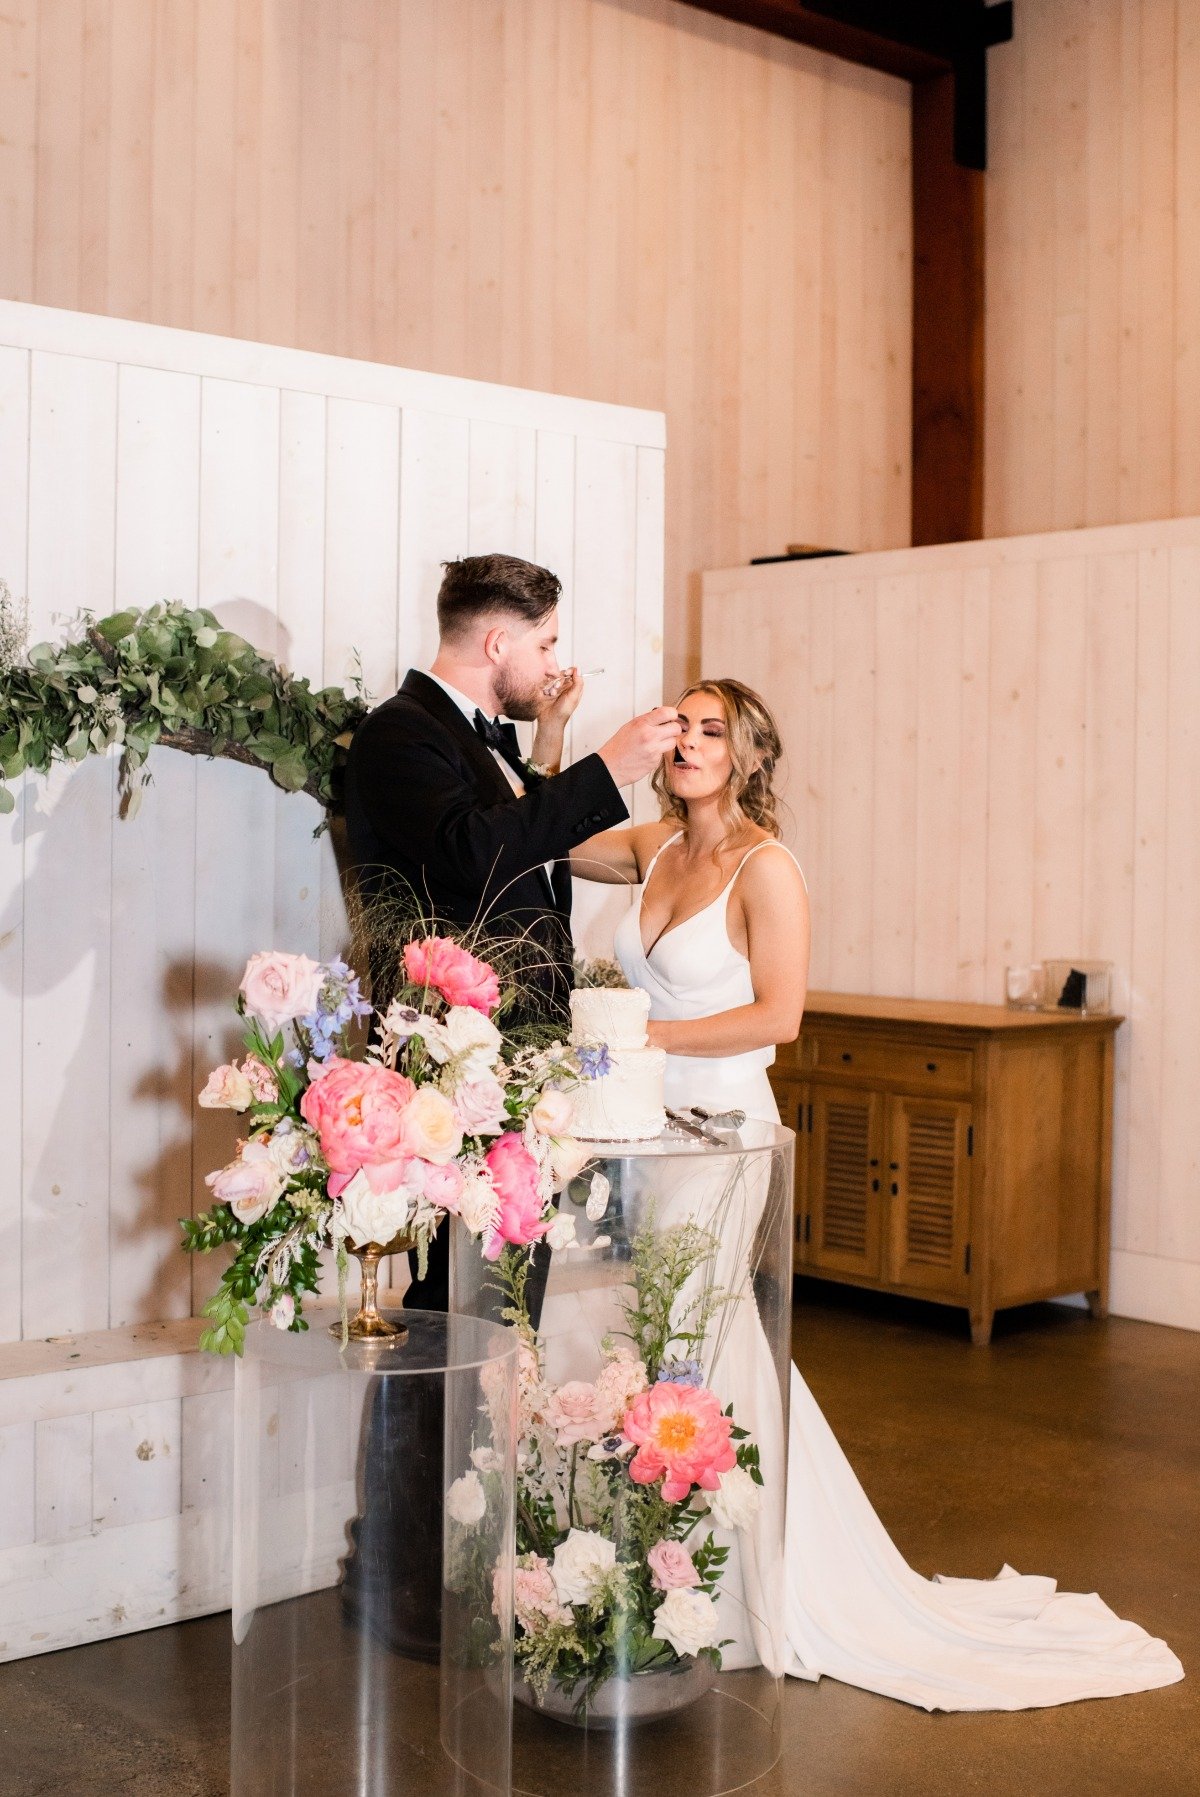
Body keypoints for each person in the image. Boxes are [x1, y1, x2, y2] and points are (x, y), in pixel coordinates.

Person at [569, 675, 1184, 1711]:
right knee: (654, 1338)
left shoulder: (767, 869)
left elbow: (781, 1017)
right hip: (639, 1128)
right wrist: (557, 731)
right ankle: (670, 1571)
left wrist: (642, 1034)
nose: (690, 742)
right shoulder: (649, 849)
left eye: (712, 729)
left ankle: (735, 1583)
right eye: (680, 724)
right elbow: (549, 826)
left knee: (701, 1341)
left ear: (751, 755)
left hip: (722, 1132)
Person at [338, 552, 680, 1657]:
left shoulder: (475, 745)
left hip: (507, 1080)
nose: (550, 661)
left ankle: (453, 1560)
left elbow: (516, 851)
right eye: (540, 643)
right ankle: (393, 1580)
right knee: (444, 1327)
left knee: (494, 1326)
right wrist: (606, 765)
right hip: (450, 1086)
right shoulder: (402, 735)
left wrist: (550, 761)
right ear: (496, 644)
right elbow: (476, 855)